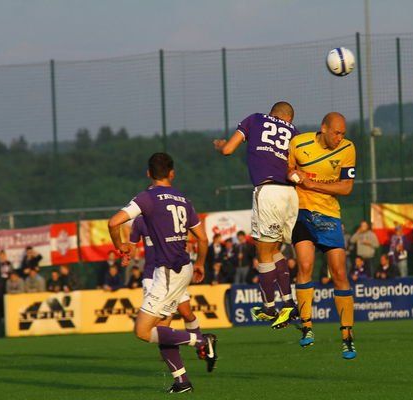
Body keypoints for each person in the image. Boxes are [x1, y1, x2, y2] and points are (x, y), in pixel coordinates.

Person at [108, 152, 216, 394]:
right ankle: (182, 381)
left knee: (142, 331)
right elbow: (203, 239)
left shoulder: (147, 198)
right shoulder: (184, 200)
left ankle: (201, 340)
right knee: (163, 330)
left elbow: (113, 222)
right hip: (184, 267)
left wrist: (119, 245)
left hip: (167, 272)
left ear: (148, 173)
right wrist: (201, 263)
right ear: (172, 173)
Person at [214, 101, 299, 327]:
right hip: (291, 195)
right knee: (274, 250)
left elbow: (228, 150)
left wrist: (221, 145)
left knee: (262, 252)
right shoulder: (294, 132)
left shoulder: (255, 119)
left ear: (272, 113)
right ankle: (288, 303)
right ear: (289, 119)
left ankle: (269, 308)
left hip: (268, 192)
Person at [288, 112, 357, 359]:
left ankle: (347, 337)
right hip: (302, 212)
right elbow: (287, 169)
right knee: (305, 265)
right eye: (336, 133)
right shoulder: (299, 143)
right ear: (324, 128)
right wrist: (293, 175)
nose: (340, 138)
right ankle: (306, 325)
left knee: (339, 273)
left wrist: (312, 184)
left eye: (343, 133)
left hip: (329, 216)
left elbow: (346, 187)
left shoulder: (348, 149)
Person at [128, 215, 207, 350]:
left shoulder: (169, 216)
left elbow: (196, 237)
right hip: (151, 276)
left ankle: (202, 346)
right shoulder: (140, 221)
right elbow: (132, 245)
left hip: (172, 272)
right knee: (161, 322)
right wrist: (126, 253)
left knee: (186, 312)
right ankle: (183, 351)